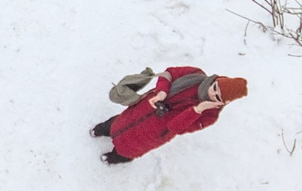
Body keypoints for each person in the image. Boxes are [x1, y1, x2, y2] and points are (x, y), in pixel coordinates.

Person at [95, 67, 246, 164]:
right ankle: (102, 129)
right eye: (215, 88)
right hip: (145, 107)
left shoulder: (209, 116)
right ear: (216, 80)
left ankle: (116, 158)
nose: (212, 93)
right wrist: (162, 91)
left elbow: (176, 127)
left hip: (154, 132)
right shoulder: (195, 75)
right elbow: (169, 74)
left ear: (223, 103)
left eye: (218, 97)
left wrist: (198, 109)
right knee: (119, 122)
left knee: (129, 147)